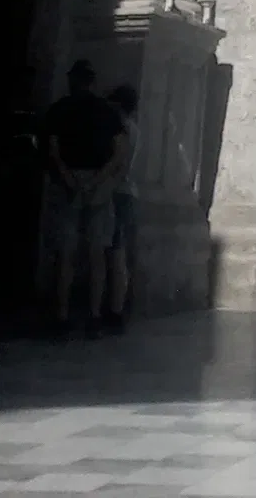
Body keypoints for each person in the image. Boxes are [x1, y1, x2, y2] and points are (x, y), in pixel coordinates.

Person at [41, 60, 126, 337]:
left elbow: (53, 150)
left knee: (66, 253)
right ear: (92, 82)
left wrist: (69, 178)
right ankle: (94, 315)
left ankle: (63, 315)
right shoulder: (107, 112)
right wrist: (97, 181)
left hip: (67, 185)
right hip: (98, 185)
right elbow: (118, 154)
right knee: (97, 253)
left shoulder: (59, 110)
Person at [105, 85, 138, 332]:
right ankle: (117, 307)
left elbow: (121, 165)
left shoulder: (124, 129)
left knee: (116, 251)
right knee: (118, 251)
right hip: (126, 193)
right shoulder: (132, 128)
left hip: (119, 193)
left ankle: (116, 310)